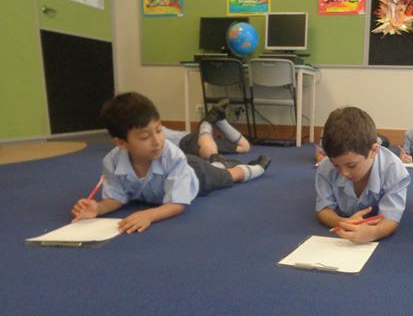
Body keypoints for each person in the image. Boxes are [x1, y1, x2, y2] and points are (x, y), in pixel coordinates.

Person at [70, 92, 270, 233]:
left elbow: (177, 204)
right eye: (145, 137)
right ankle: (217, 160)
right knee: (216, 164)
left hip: (196, 172)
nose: (157, 141)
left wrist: (149, 215)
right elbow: (116, 198)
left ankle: (256, 167)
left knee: (228, 176)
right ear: (121, 143)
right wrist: (98, 208)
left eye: (159, 130)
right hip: (180, 171)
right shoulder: (112, 162)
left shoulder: (173, 156)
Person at [315, 107, 411, 243]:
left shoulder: (394, 170)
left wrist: (373, 232)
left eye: (351, 165)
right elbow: (323, 210)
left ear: (374, 151)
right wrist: (343, 221)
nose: (344, 173)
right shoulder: (326, 167)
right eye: (336, 165)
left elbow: (391, 219)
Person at [163, 98, 251, 160]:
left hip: (184, 141)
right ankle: (216, 120)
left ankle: (209, 122)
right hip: (188, 139)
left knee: (209, 151)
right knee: (245, 147)